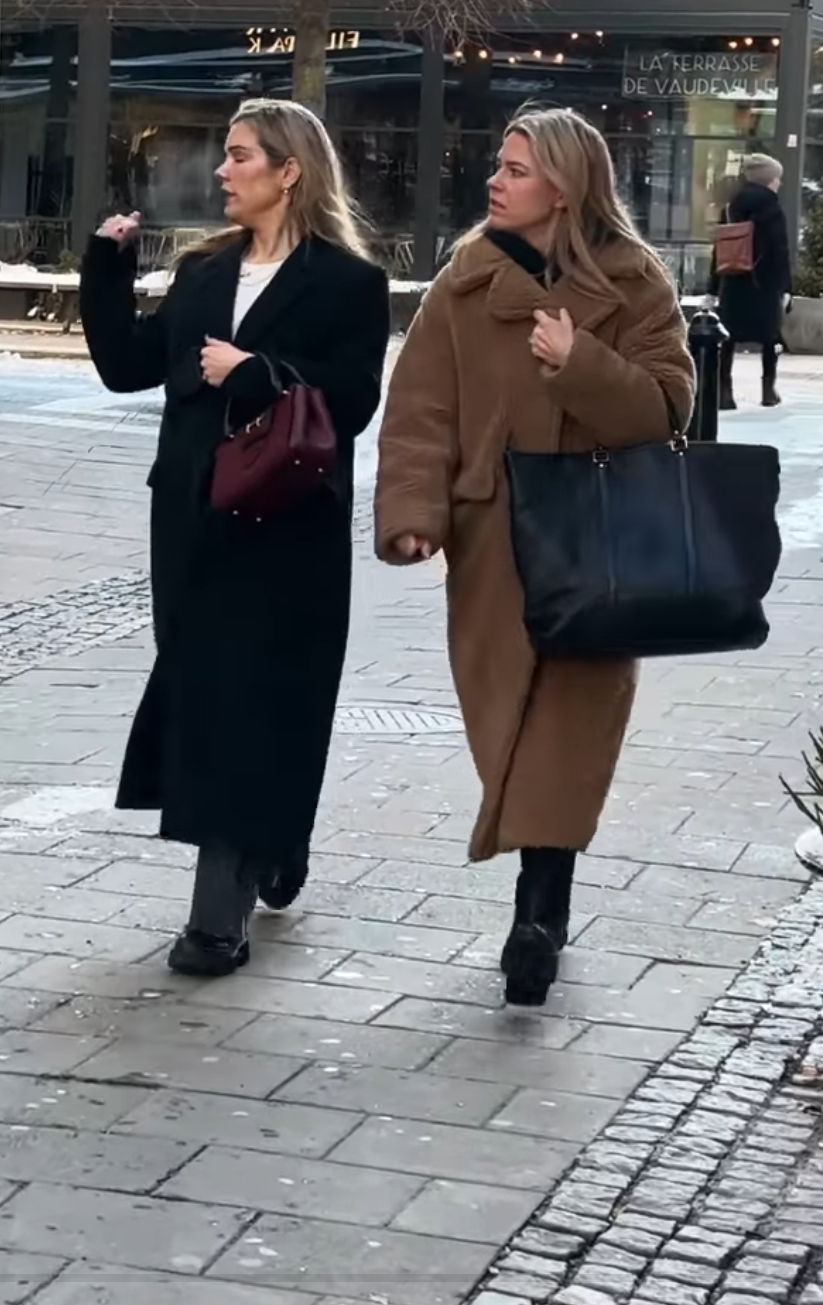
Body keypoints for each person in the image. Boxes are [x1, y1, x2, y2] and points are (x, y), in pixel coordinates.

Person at [373, 107, 694, 1006]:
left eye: (514, 169)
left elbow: (666, 409)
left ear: (562, 186)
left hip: (599, 544)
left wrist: (577, 358)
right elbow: (419, 411)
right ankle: (539, 892)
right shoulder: (464, 282)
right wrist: (413, 513)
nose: (494, 180)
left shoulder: (634, 282)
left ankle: (538, 912)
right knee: (504, 722)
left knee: (569, 730)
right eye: (498, 165)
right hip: (492, 542)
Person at [79, 98, 392, 977]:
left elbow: (352, 400)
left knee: (260, 700)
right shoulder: (203, 271)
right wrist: (105, 266)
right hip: (190, 520)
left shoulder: (347, 283)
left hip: (288, 527)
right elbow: (126, 366)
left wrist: (254, 373)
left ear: (288, 171)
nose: (222, 170)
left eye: (240, 155)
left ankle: (216, 918)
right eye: (225, 154)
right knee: (207, 696)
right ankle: (272, 840)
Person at [717, 152, 790, 409]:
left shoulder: (730, 208)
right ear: (768, 180)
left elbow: (719, 249)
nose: (779, 183)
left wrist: (713, 287)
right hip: (764, 284)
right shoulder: (772, 210)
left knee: (727, 338)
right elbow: (780, 251)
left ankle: (724, 392)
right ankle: (768, 390)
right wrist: (785, 288)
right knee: (770, 338)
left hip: (733, 281)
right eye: (777, 178)